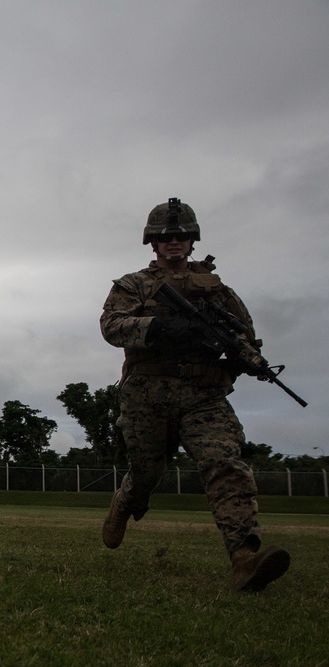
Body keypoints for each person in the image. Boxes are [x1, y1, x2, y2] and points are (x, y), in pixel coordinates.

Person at [99, 197, 290, 592]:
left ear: (192, 241)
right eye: (167, 237)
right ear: (153, 242)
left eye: (182, 236)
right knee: (148, 472)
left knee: (224, 462)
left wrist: (248, 360)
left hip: (203, 395)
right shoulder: (134, 284)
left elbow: (243, 336)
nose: (175, 242)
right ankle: (126, 501)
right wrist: (160, 329)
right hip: (146, 395)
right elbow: (112, 326)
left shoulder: (218, 292)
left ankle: (244, 558)